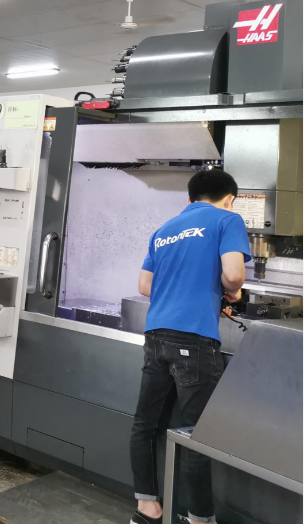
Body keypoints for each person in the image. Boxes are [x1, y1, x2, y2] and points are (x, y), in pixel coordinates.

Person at [129, 169, 250, 524]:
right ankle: (199, 519)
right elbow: (234, 275)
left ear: (189, 199)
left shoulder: (165, 229)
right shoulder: (228, 219)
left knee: (145, 424)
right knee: (196, 432)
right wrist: (230, 291)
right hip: (193, 339)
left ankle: (147, 508)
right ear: (229, 199)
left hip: (156, 336)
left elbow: (144, 285)